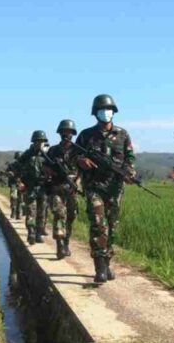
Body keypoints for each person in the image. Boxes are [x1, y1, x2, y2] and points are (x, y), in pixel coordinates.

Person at [74, 94, 136, 283]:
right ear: (95, 114)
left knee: (112, 226)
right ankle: (99, 267)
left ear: (113, 113)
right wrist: (81, 160)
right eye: (102, 110)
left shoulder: (123, 134)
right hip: (94, 187)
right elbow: (73, 156)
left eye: (108, 110)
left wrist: (130, 173)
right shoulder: (85, 135)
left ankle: (107, 262)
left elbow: (130, 158)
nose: (105, 113)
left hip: (115, 188)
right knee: (99, 225)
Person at [45, 119, 80, 259]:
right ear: (60, 133)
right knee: (59, 214)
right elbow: (45, 167)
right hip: (56, 187)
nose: (66, 134)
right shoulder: (53, 150)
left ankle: (65, 243)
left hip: (72, 188)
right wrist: (55, 173)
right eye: (64, 132)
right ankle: (59, 244)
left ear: (72, 133)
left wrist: (76, 182)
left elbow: (83, 169)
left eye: (69, 132)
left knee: (71, 216)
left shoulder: (78, 150)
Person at [17, 130, 49, 245]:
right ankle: (31, 232)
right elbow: (17, 169)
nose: (39, 144)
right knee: (31, 210)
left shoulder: (47, 156)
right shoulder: (26, 155)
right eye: (37, 141)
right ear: (33, 142)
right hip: (30, 187)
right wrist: (20, 182)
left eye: (41, 142)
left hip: (42, 188)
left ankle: (38, 233)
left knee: (42, 212)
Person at [7, 152, 23, 220]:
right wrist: (10, 173)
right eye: (17, 158)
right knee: (13, 198)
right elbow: (7, 173)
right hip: (13, 183)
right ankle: (13, 211)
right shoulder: (11, 165)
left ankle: (18, 213)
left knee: (20, 199)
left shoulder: (24, 165)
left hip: (21, 183)